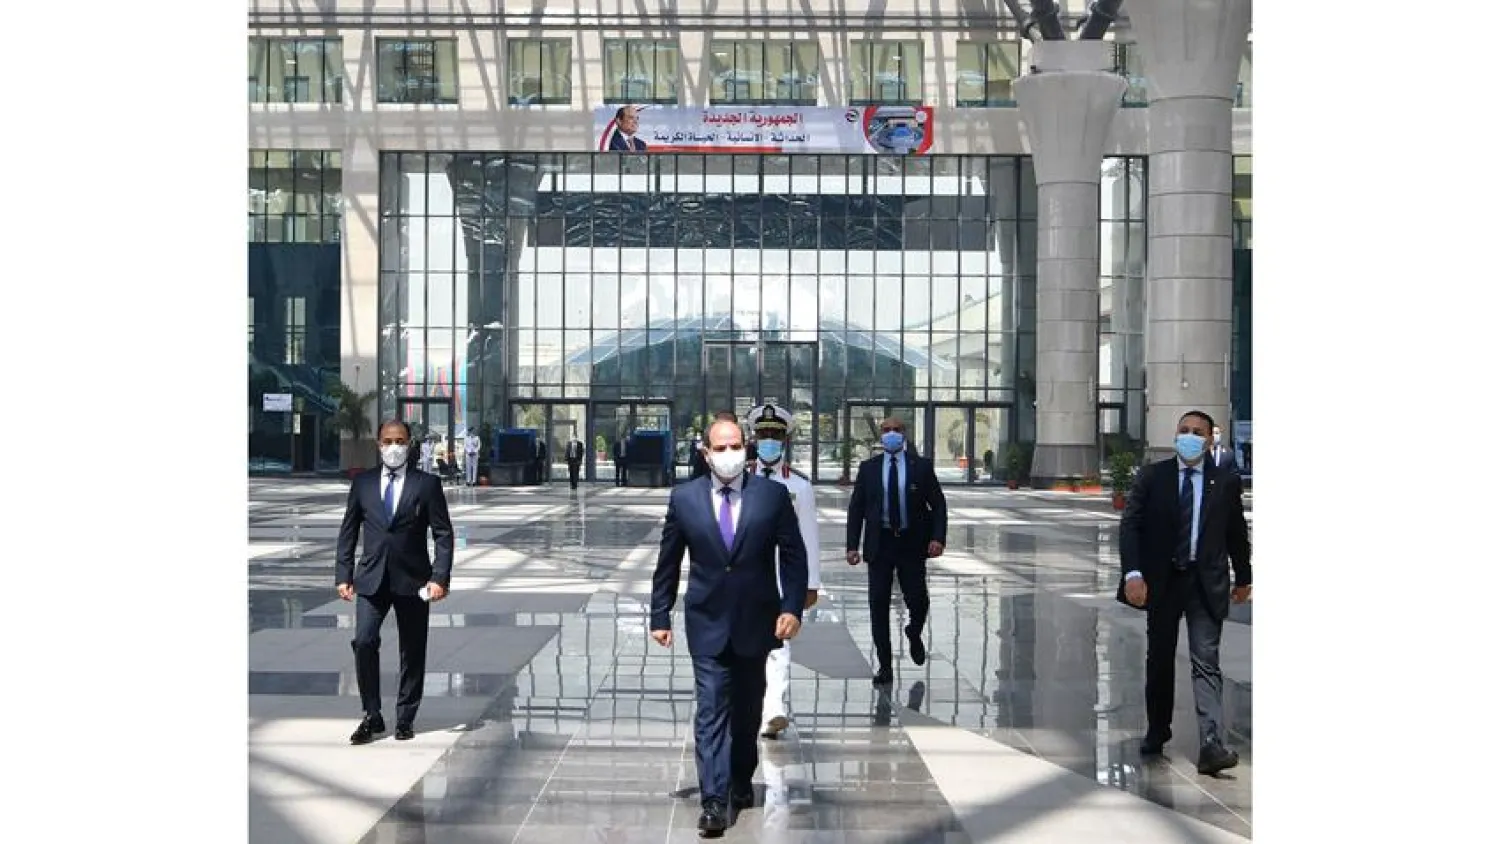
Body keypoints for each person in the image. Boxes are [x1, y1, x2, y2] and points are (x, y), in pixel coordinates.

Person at [649, 415, 808, 835]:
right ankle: (714, 800)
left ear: (747, 448)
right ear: (705, 453)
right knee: (711, 709)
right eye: (719, 448)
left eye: (735, 445)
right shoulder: (684, 499)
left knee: (747, 710)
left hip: (756, 621)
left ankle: (740, 778)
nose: (728, 454)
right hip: (706, 621)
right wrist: (659, 613)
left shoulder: (771, 496)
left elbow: (793, 556)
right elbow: (668, 561)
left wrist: (792, 607)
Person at [1117, 409, 1251, 775]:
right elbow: (1130, 526)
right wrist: (1133, 573)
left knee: (1206, 660)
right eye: (1183, 430)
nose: (1188, 436)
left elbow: (1236, 533)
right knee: (1159, 659)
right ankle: (1157, 729)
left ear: (1210, 440)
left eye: (1197, 432)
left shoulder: (1223, 481)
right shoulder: (1152, 477)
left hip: (1205, 582)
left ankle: (1211, 742)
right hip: (1163, 582)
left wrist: (1244, 578)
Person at [335, 419, 455, 745]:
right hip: (371, 579)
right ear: (378, 444)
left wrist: (439, 578)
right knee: (363, 641)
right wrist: (343, 574)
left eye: (400, 441)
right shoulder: (363, 484)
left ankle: (405, 717)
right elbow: (348, 532)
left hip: (413, 580)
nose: (394, 447)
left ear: (410, 443)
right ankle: (372, 714)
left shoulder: (426, 484)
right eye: (388, 441)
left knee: (412, 650)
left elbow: (443, 534)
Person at [845, 416, 948, 685]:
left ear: (905, 434)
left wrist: (938, 538)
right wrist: (851, 545)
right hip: (880, 545)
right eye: (887, 430)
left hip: (911, 544)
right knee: (878, 604)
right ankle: (885, 666)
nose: (891, 434)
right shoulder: (869, 468)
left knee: (918, 599)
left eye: (897, 430)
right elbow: (857, 508)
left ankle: (914, 632)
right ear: (881, 435)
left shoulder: (921, 467)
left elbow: (938, 505)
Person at [744, 403, 821, 740]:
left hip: (781, 576)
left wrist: (811, 583)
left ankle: (774, 708)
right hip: (744, 573)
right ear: (754, 437)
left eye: (775, 435)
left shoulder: (799, 487)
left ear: (785, 440)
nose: (769, 441)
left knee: (779, 642)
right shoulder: (740, 477)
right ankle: (752, 704)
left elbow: (808, 537)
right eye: (763, 434)